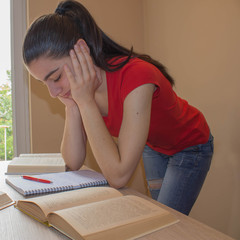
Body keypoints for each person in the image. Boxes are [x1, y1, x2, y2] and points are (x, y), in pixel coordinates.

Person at [22, 0, 213, 215]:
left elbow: (118, 176)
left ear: (81, 51)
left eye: (55, 77)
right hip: (153, 144)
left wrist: (85, 102)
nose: (52, 92)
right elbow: (73, 162)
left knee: (167, 218)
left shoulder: (137, 77)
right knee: (158, 215)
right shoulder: (79, 90)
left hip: (189, 145)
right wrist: (72, 106)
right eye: (44, 83)